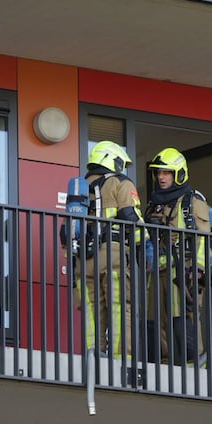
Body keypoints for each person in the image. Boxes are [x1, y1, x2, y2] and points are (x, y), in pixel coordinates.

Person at [75, 141, 144, 358]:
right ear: (111, 160)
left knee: (91, 313)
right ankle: (119, 361)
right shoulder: (120, 182)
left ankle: (93, 359)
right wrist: (145, 243)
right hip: (113, 255)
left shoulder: (79, 188)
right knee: (120, 308)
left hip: (83, 260)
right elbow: (130, 218)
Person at [144, 147, 211, 364]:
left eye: (166, 173)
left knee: (184, 322)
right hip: (158, 273)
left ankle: (196, 372)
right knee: (157, 324)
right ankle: (163, 370)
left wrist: (197, 271)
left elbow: (204, 239)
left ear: (178, 174)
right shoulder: (154, 204)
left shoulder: (192, 200)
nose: (161, 177)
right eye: (159, 173)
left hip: (183, 272)